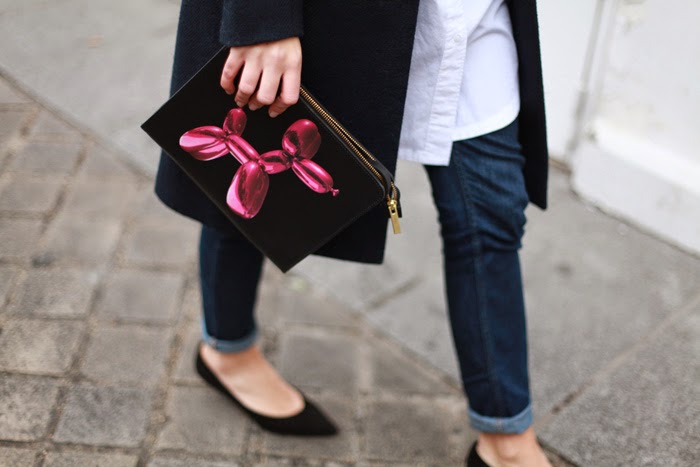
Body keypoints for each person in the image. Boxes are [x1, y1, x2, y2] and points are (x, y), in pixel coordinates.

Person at [154, 0, 551, 465]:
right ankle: (229, 351)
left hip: (471, 17)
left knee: (491, 216)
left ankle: (506, 437)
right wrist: (262, 19)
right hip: (327, 15)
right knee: (250, 170)